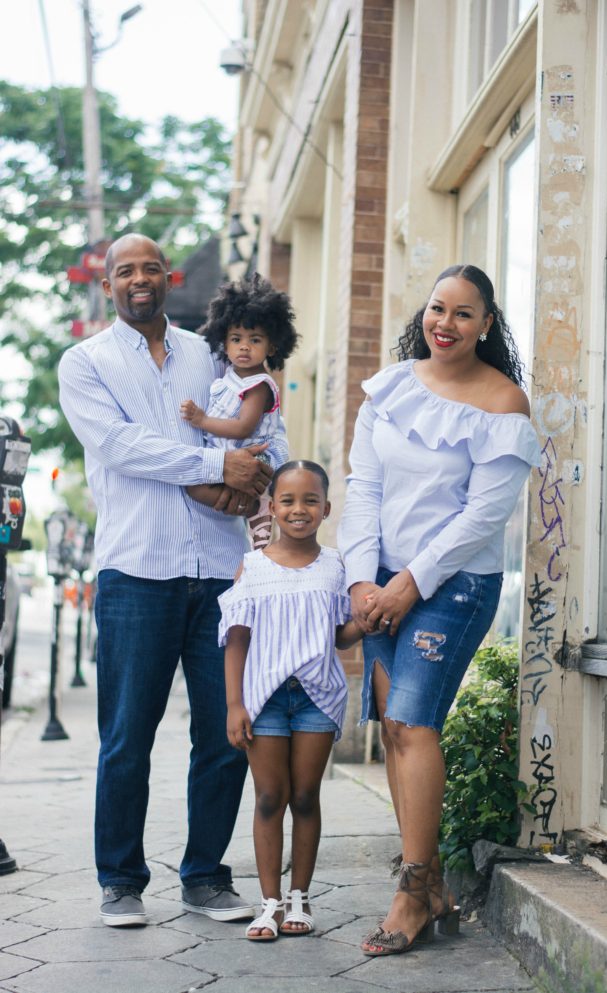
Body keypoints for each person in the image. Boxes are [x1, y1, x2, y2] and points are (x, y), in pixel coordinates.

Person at [58, 233, 289, 928]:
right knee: (128, 733)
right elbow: (124, 448)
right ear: (107, 284)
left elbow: (249, 431)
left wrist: (259, 474)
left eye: (149, 268)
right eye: (124, 270)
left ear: (169, 277)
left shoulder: (207, 352)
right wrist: (220, 469)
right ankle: (121, 880)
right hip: (137, 569)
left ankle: (205, 877)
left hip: (221, 570)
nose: (138, 279)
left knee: (226, 732)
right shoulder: (85, 362)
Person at [338, 264, 541, 956]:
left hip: (454, 585)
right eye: (437, 309)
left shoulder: (503, 402)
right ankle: (433, 889)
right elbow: (362, 486)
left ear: (487, 324)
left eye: (463, 313)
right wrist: (363, 580)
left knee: (409, 720)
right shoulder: (390, 388)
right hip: (385, 582)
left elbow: (481, 519)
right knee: (394, 731)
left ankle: (413, 888)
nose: (445, 324)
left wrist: (407, 586)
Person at [219, 460, 363, 941]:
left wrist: (366, 617)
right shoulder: (253, 566)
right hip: (265, 700)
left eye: (309, 501)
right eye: (287, 501)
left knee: (304, 796)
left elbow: (341, 637)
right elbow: (236, 640)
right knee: (268, 797)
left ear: (325, 509)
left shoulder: (337, 566)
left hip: (317, 698)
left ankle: (300, 895)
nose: (298, 509)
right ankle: (269, 903)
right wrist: (234, 704)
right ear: (273, 508)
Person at [180, 273, 298, 549]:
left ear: (272, 346)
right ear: (224, 341)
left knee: (256, 514)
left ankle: (263, 541)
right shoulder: (228, 377)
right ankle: (256, 529)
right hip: (231, 457)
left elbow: (244, 427)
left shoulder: (259, 386)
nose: (244, 346)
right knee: (197, 489)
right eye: (236, 338)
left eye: (255, 340)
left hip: (258, 459)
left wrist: (202, 420)